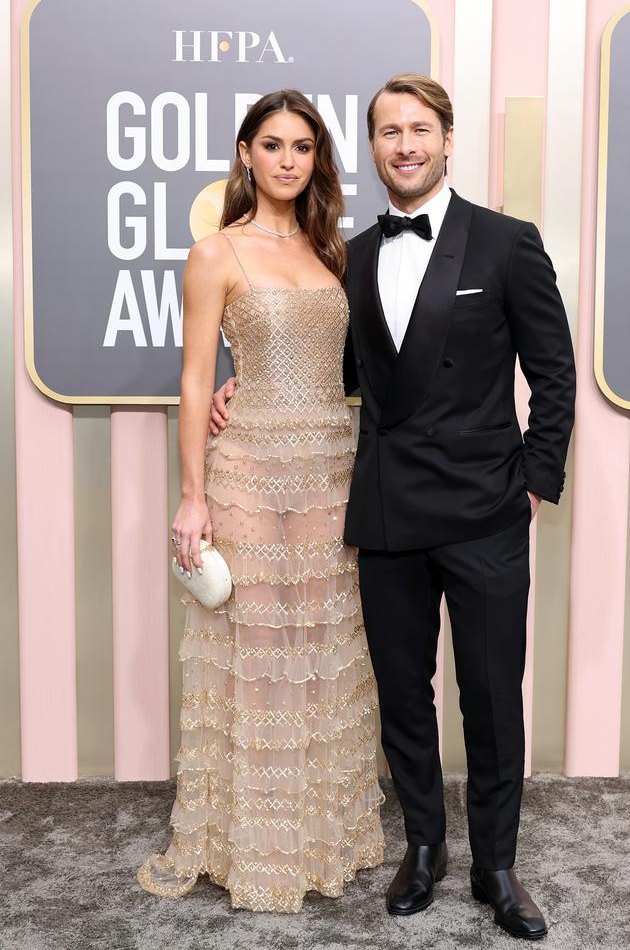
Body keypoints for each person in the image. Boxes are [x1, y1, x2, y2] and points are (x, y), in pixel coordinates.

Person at [211, 74, 576, 939]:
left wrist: (533, 481)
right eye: (387, 133)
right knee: (404, 697)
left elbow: (554, 375)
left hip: (486, 510)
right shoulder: (354, 257)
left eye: (419, 130)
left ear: (448, 139)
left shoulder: (506, 244)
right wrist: (242, 390)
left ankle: (495, 866)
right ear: (371, 149)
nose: (404, 146)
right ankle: (424, 849)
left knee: (489, 697)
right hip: (385, 513)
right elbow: (339, 376)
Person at [137, 89, 385, 914]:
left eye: (303, 146)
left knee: (319, 645)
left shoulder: (331, 249)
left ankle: (319, 832)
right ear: (245, 153)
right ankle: (254, 844)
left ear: (318, 160)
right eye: (272, 144)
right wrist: (190, 498)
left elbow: (334, 362)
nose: (287, 159)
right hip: (246, 468)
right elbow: (194, 378)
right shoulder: (216, 253)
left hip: (329, 467)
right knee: (254, 648)